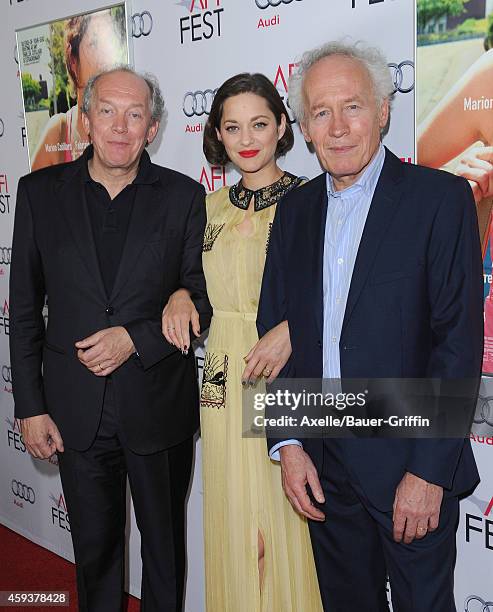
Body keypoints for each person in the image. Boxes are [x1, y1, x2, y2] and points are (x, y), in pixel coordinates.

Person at [257, 41, 483, 611]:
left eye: (352, 107)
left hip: (409, 464)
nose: (337, 128)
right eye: (320, 113)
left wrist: (429, 472)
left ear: (383, 110)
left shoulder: (441, 199)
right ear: (303, 128)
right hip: (323, 467)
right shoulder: (294, 210)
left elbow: (457, 343)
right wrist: (288, 444)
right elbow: (274, 332)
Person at [10, 66, 211, 612]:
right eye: (107, 111)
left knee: (165, 556)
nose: (120, 127)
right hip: (76, 410)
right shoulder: (38, 194)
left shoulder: (185, 197)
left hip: (157, 408)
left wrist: (136, 337)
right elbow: (25, 310)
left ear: (153, 128)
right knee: (94, 554)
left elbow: (201, 297)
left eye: (135, 114)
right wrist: (29, 406)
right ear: (86, 119)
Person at [162, 73, 322, 612]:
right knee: (232, 515)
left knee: (283, 516)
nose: (247, 137)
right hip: (222, 373)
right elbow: (186, 277)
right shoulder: (203, 208)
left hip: (290, 370)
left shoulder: (313, 199)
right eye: (233, 126)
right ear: (217, 136)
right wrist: (181, 292)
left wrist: (295, 329)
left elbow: (346, 289)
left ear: (282, 127)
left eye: (259, 123)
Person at [31, 9, 126, 170]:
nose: (104, 58)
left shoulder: (124, 129)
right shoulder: (58, 131)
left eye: (109, 43)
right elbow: (31, 191)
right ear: (73, 60)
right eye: (94, 44)